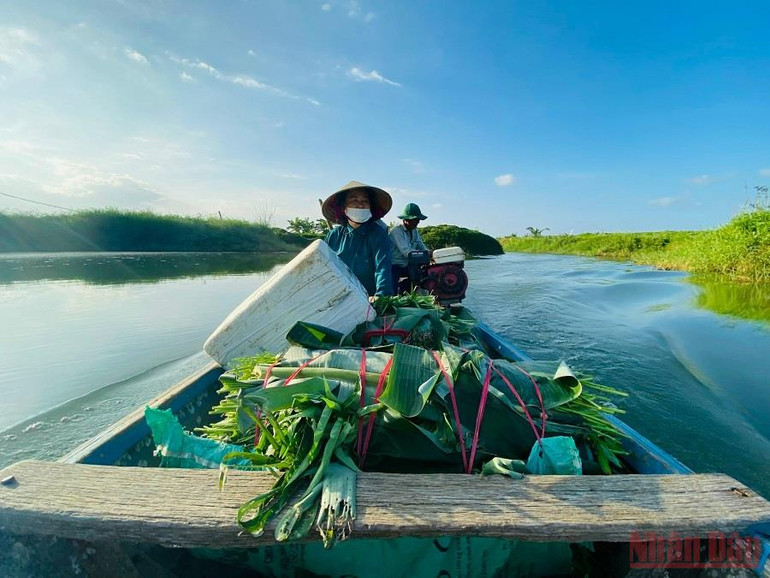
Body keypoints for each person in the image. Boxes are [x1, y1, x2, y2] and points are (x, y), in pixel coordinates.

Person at [322, 181, 394, 297]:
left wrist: (381, 295)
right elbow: (323, 266)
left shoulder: (378, 234)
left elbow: (382, 268)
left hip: (368, 298)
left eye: (365, 201)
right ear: (343, 207)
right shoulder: (334, 235)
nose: (360, 205)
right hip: (338, 296)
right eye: (354, 200)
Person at [389, 202, 429, 293]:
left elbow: (421, 246)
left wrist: (429, 253)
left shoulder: (414, 231)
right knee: (392, 291)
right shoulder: (396, 231)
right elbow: (407, 252)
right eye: (415, 219)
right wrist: (424, 255)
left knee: (424, 277)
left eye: (418, 219)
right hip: (395, 265)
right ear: (406, 220)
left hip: (408, 265)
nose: (418, 222)